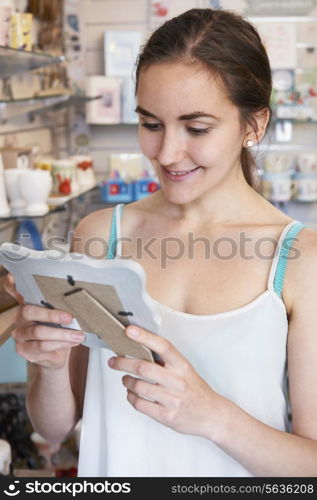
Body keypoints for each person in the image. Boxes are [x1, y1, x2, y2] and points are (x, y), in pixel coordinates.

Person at [5, 8, 317, 477]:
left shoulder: (297, 259)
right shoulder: (100, 236)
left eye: (196, 129)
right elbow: (54, 427)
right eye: (151, 124)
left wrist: (212, 415)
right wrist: (48, 364)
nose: (167, 153)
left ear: (253, 126)